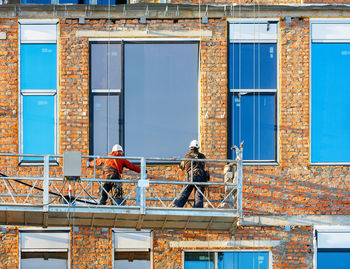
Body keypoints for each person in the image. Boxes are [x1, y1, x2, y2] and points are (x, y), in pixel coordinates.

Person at [173, 140, 207, 208]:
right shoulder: (202, 156)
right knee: (199, 196)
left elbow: (182, 167)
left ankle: (176, 207)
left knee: (184, 194)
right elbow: (203, 164)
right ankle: (198, 210)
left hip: (190, 176)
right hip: (200, 176)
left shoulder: (186, 156)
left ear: (190, 147)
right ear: (198, 148)